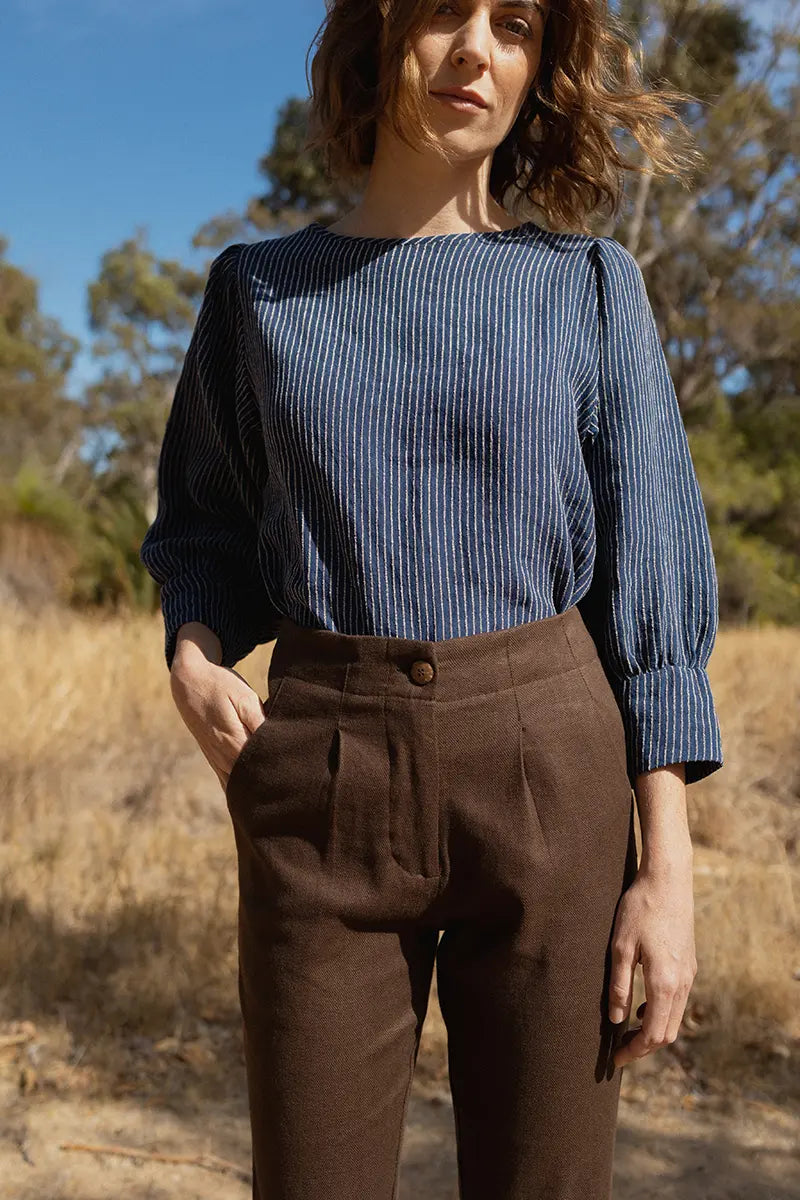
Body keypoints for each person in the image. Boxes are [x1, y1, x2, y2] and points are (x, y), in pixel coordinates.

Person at [139, 1, 724, 1197]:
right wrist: (193, 653)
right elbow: (202, 524)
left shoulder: (587, 288)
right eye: (442, 15)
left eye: (512, 26)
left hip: (549, 769)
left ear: (536, 69)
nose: (475, 50)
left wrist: (663, 873)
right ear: (376, 39)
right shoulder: (259, 293)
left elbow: (649, 579)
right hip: (322, 780)